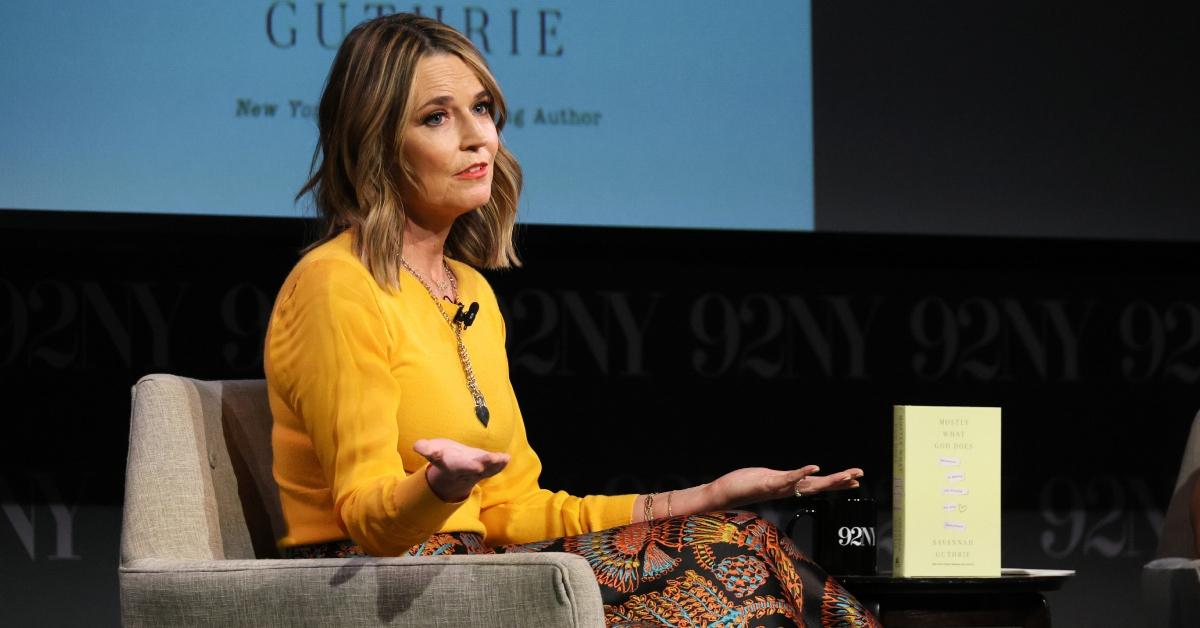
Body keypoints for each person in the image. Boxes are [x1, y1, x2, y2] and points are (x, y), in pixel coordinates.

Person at [265, 13, 880, 627]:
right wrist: (439, 487)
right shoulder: (337, 283)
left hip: (477, 570)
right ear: (374, 143)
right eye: (435, 117)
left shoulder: (468, 290)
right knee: (727, 563)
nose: (478, 137)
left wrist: (704, 498)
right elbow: (365, 519)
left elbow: (515, 511)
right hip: (375, 584)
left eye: (482, 109)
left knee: (742, 533)